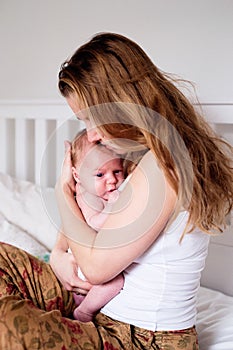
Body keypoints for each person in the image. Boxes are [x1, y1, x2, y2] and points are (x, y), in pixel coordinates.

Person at [0, 32, 232, 350]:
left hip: (140, 339)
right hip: (102, 312)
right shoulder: (136, 155)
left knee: (9, 328)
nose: (91, 134)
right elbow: (91, 224)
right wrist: (56, 255)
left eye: (90, 119)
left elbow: (96, 269)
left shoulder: (165, 167)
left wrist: (61, 192)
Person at [70, 129, 125, 322]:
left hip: (95, 262)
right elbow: (94, 223)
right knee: (116, 281)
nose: (112, 180)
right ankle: (84, 311)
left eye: (117, 171)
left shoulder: (98, 190)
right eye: (100, 174)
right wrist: (112, 206)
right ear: (77, 176)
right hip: (85, 267)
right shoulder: (86, 195)